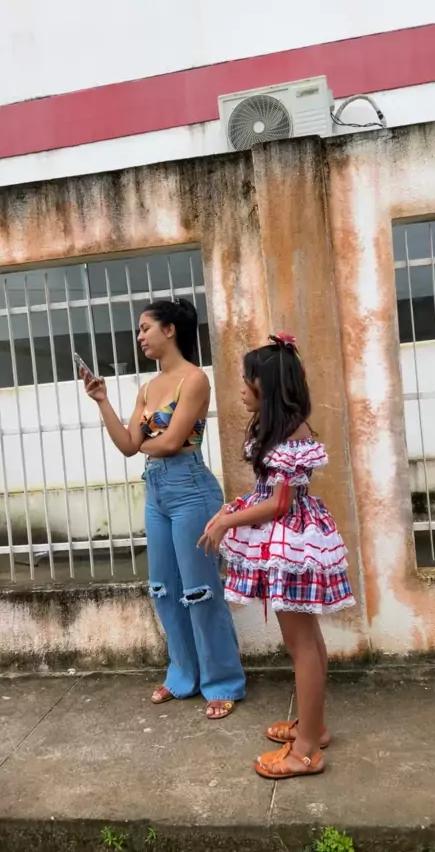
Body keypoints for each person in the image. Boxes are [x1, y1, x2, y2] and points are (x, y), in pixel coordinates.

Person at [81, 297, 245, 719]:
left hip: (191, 489)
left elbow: (171, 443)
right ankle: (182, 675)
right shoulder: (147, 388)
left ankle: (222, 681)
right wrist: (102, 401)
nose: (139, 336)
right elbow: (127, 445)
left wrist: (145, 441)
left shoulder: (194, 379)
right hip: (156, 491)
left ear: (169, 330)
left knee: (200, 591)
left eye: (145, 328)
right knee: (164, 589)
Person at [199, 331, 355, 776]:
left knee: (301, 644)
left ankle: (306, 751)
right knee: (307, 640)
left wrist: (228, 520)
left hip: (292, 542)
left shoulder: (289, 433)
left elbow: (279, 503)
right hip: (292, 537)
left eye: (246, 380)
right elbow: (267, 493)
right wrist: (232, 510)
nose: (241, 388)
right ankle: (313, 727)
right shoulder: (281, 429)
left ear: (265, 386)